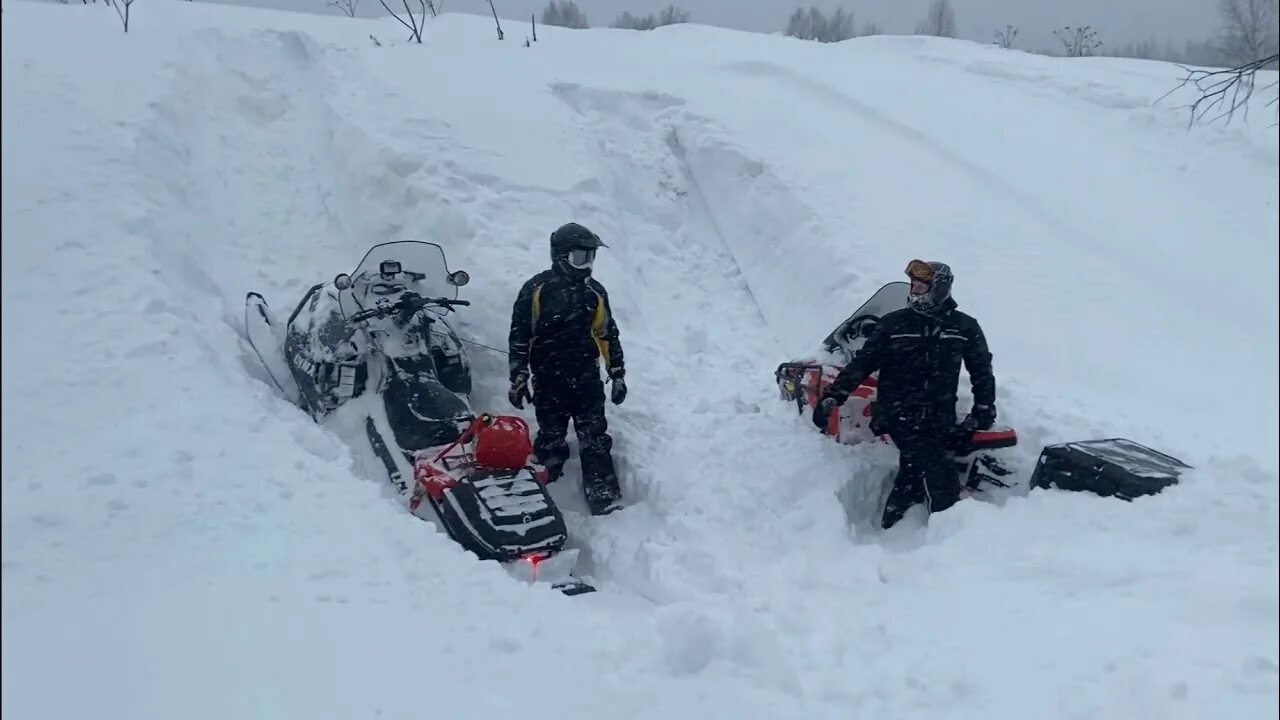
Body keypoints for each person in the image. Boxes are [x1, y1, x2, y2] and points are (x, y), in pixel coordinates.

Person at [812, 260, 997, 529]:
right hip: (898, 413)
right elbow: (862, 363)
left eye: (922, 286)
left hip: (940, 416)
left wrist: (983, 411)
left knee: (912, 470)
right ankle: (951, 532)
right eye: (913, 285)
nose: (915, 291)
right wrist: (834, 396)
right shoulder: (894, 324)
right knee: (939, 471)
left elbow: (982, 371)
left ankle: (894, 522)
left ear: (939, 289)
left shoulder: (963, 327)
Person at [507, 222, 627, 516]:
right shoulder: (537, 289)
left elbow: (606, 333)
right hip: (549, 378)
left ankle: (603, 491)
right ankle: (548, 483)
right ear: (561, 256)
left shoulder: (594, 292)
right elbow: (520, 335)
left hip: (586, 376)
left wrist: (617, 373)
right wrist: (519, 376)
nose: (586, 265)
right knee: (551, 434)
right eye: (580, 257)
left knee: (595, 435)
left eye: (590, 257)